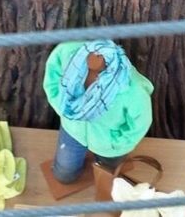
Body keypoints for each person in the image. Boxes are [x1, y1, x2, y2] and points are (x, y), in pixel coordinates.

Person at [43, 40, 154, 184]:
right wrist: (63, 110)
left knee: (107, 176)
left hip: (109, 144)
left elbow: (140, 122)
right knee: (64, 175)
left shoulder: (131, 87)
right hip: (72, 131)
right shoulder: (68, 55)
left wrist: (117, 143)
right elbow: (52, 77)